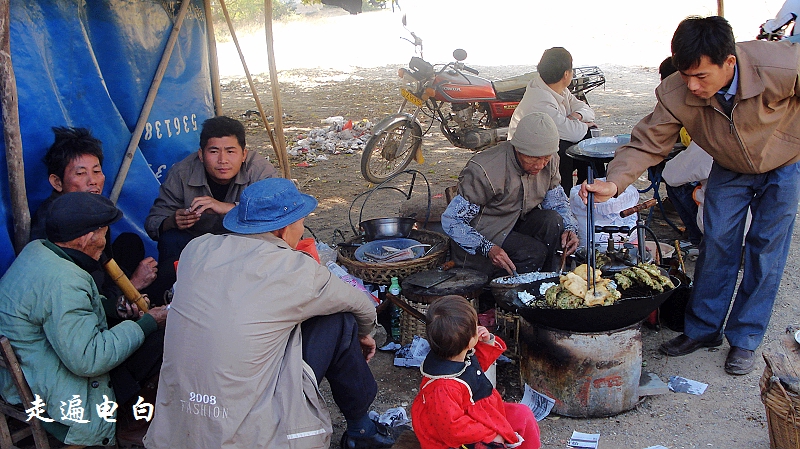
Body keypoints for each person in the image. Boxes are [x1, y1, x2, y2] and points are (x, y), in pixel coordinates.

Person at [580, 16, 800, 375]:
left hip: (785, 163)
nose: (692, 86)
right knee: (717, 243)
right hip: (729, 165)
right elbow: (648, 142)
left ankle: (744, 338)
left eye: (701, 76)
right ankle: (702, 329)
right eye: (686, 76)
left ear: (729, 62)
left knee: (766, 250)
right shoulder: (675, 92)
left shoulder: (782, 65)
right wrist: (615, 182)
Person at [143, 178, 394, 449]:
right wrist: (364, 333)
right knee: (339, 319)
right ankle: (361, 429)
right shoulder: (294, 268)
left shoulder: (196, 250)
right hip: (248, 437)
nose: (302, 229)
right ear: (283, 230)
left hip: (178, 430)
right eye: (301, 222)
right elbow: (361, 305)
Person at [0, 192, 168, 446]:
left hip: (31, 371)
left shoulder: (38, 250)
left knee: (139, 335)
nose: (105, 241)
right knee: (159, 341)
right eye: (103, 233)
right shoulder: (64, 280)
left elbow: (68, 310)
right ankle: (127, 422)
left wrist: (114, 308)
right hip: (56, 396)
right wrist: (147, 323)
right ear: (88, 237)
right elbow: (89, 360)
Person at [144, 116, 278, 298]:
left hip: (244, 244)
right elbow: (153, 222)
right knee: (170, 240)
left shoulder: (259, 170)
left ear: (244, 154)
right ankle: (172, 300)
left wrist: (228, 208)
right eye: (214, 151)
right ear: (201, 154)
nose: (222, 160)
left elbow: (277, 212)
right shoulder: (182, 173)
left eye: (230, 151)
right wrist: (173, 221)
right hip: (198, 246)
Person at [442, 112, 579, 278]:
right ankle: (506, 288)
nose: (540, 165)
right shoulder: (485, 170)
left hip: (517, 223)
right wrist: (487, 247)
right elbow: (452, 221)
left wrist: (570, 229)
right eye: (534, 158)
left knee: (553, 221)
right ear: (518, 149)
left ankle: (548, 280)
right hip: (486, 232)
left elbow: (557, 202)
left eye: (546, 158)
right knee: (532, 252)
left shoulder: (549, 161)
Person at [30, 126, 158, 296]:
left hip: (97, 279)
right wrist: (133, 285)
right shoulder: (56, 223)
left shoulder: (89, 209)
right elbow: (82, 291)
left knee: (130, 243)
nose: (93, 181)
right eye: (81, 173)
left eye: (97, 171)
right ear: (57, 182)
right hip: (76, 293)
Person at [411, 295, 540, 449]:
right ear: (470, 341)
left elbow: (476, 368)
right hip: (456, 437)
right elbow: (453, 429)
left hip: (480, 411)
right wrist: (490, 435)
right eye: (475, 327)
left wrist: (487, 341)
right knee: (496, 444)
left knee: (523, 415)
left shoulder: (456, 352)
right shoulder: (442, 387)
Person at [508, 47, 600, 194]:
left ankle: (591, 187)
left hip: (544, 149)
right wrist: (582, 124)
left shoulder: (559, 89)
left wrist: (576, 116)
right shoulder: (540, 99)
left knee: (587, 140)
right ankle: (565, 194)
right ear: (566, 74)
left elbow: (587, 110)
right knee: (566, 147)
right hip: (527, 156)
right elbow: (573, 133)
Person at [657, 57, 713, 247]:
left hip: (723, 224)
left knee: (675, 182)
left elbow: (671, 175)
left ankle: (696, 238)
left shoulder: (709, 134)